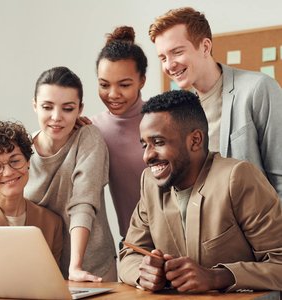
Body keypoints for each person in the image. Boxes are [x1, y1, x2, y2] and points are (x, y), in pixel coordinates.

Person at [119, 90, 282, 292]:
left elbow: (279, 263)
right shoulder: (150, 182)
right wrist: (144, 273)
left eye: (158, 142)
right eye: (144, 145)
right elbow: (129, 253)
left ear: (195, 140)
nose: (147, 156)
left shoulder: (237, 178)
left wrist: (217, 277)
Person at [148, 7, 282, 199]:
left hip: (259, 224)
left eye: (176, 52)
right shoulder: (179, 112)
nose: (169, 65)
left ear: (205, 47)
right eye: (163, 58)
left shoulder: (258, 88)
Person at [24, 66, 117, 282]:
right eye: (47, 107)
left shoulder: (88, 138)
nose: (56, 117)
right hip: (41, 270)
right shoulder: (22, 150)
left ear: (79, 109)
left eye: (67, 109)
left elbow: (83, 202)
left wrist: (75, 267)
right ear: (35, 106)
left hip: (91, 268)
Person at [90, 26, 147, 241]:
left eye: (124, 85)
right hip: (135, 245)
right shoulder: (92, 129)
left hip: (183, 241)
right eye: (104, 84)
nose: (113, 94)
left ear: (142, 80)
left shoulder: (163, 118)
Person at [0, 120, 63, 264]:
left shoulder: (52, 223)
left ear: (28, 162)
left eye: (15, 161)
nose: (8, 173)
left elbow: (51, 281)